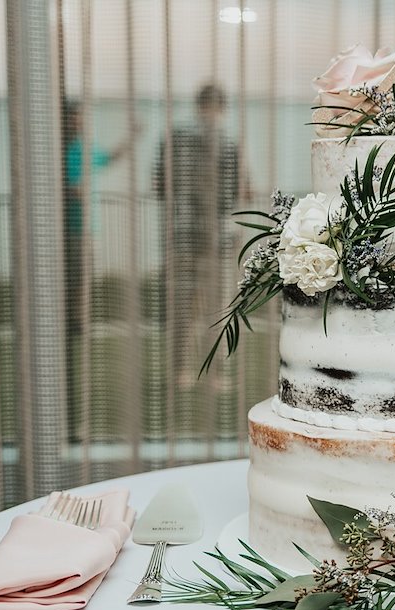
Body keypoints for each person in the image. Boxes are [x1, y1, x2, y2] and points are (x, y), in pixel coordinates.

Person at [152, 83, 247, 384]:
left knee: (185, 307)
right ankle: (212, 374)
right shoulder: (226, 145)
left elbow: (159, 186)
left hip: (184, 234)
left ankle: (183, 371)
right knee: (213, 309)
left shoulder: (175, 140)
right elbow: (235, 193)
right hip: (209, 237)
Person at [61, 101, 137, 441]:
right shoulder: (60, 151)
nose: (79, 123)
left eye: (81, 118)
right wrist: (69, 191)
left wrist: (132, 137)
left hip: (85, 229)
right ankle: (72, 322)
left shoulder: (83, 149)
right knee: (71, 279)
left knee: (82, 279)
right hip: (65, 229)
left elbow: (109, 158)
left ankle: (77, 323)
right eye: (74, 118)